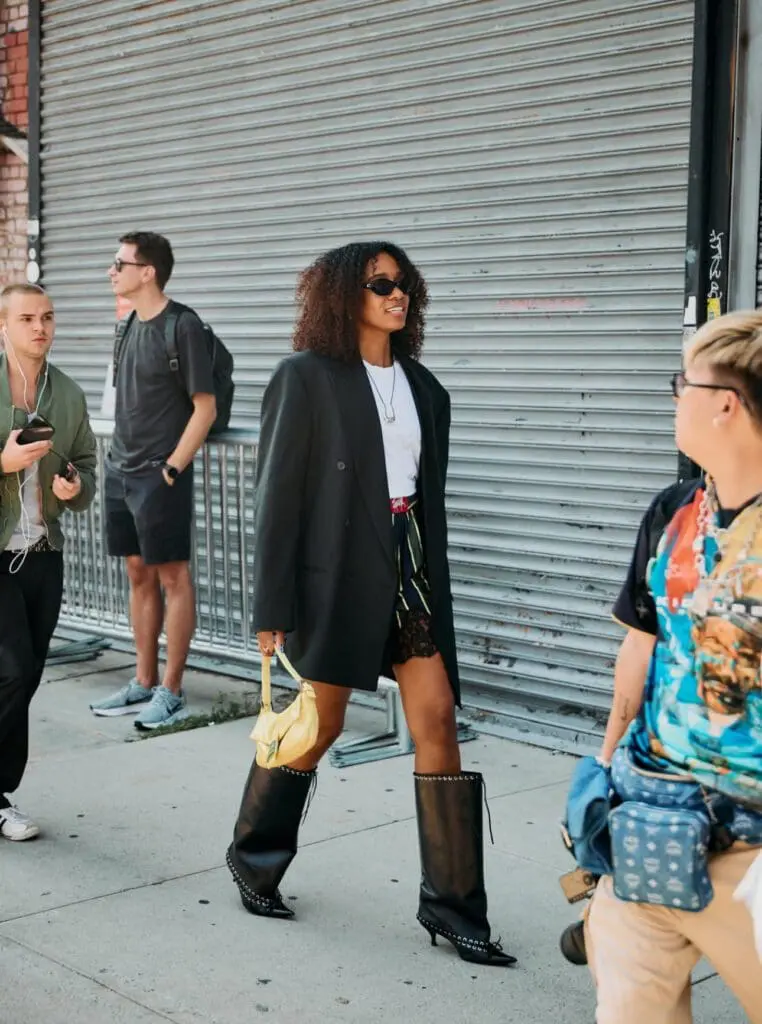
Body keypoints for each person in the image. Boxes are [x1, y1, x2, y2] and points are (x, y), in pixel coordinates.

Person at [225, 241, 515, 968]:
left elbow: (423, 500)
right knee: (318, 726)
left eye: (404, 283)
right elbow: (277, 499)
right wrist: (272, 605)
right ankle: (254, 857)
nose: (397, 294)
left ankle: (452, 909)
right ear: (342, 295)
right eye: (380, 282)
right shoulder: (305, 378)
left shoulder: (425, 389)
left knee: (438, 719)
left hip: (408, 566)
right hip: (338, 573)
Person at [577, 311, 762, 1023]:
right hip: (648, 823)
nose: (674, 397)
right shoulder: (674, 512)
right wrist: (603, 767)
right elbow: (641, 645)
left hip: (749, 849)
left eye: (682, 384)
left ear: (726, 404)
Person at [89, 232, 217, 730]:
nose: (111, 270)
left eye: (119, 263)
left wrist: (171, 468)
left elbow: (205, 408)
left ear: (148, 271)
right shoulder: (125, 327)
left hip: (160, 476)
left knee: (172, 577)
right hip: (122, 469)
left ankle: (171, 689)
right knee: (137, 574)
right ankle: (142, 680)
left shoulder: (182, 326)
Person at [0, 283, 96, 840]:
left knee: (27, 675)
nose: (41, 327)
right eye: (28, 318)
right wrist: (4, 459)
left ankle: (0, 792)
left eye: (49, 317)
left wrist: (73, 485)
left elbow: (85, 470)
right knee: (10, 668)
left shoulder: (69, 395)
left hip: (42, 554)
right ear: (6, 327)